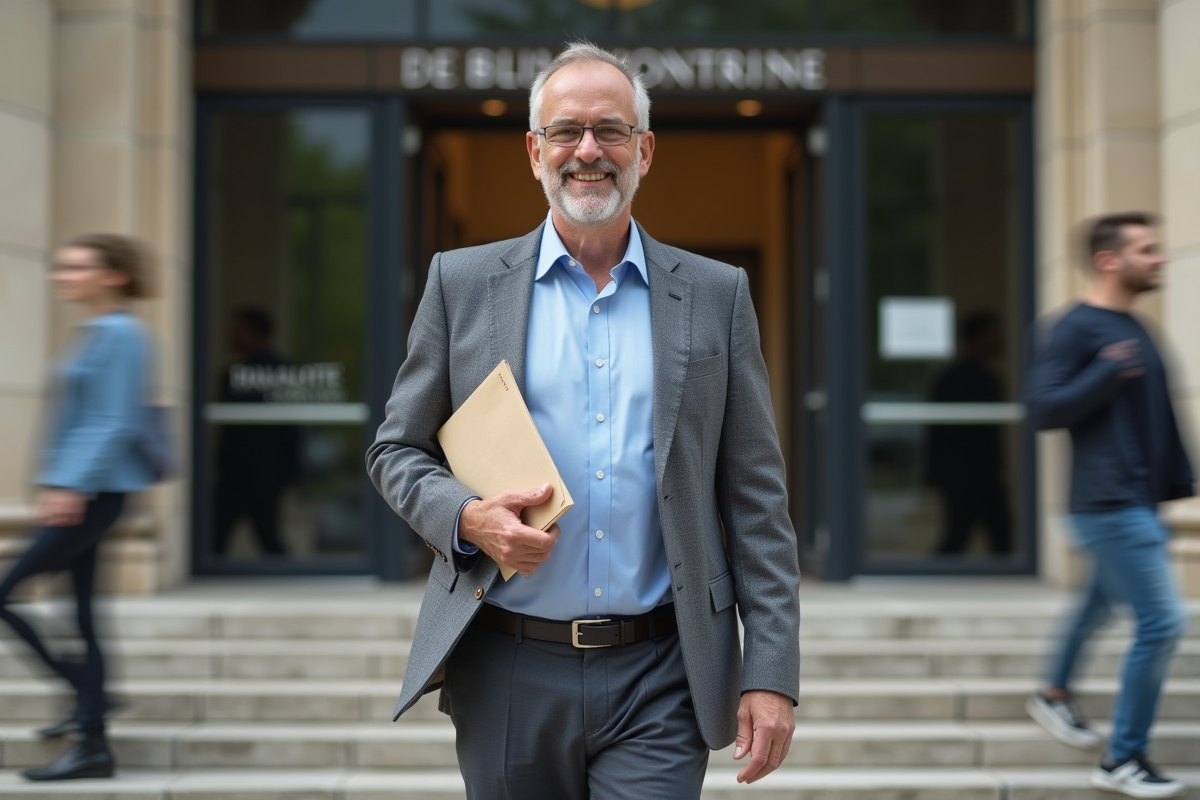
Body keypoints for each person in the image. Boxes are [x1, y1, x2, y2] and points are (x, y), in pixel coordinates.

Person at [367, 42, 800, 799]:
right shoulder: (460, 285)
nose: (589, 151)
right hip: (506, 663)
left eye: (611, 130)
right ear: (535, 152)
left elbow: (757, 503)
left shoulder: (715, 294)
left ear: (646, 150)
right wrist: (468, 517)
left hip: (663, 671)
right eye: (566, 131)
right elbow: (395, 450)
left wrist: (770, 672)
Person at [1025, 212, 1192, 798]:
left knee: (1098, 604)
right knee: (1164, 621)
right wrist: (1104, 372)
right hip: (1107, 503)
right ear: (1108, 260)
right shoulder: (1076, 329)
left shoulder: (1136, 326)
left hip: (1136, 502)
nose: (1160, 259)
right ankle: (1123, 757)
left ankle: (1053, 693)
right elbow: (1042, 410)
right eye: (1147, 250)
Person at [0, 234, 157, 781]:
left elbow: (112, 420)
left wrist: (69, 485)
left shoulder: (122, 334)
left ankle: (87, 695)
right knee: (83, 614)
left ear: (112, 275)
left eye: (76, 267)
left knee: (4, 593)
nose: (61, 275)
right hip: (81, 491)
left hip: (91, 495)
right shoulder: (95, 333)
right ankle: (92, 731)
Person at [212, 307, 299, 557]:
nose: (232, 336)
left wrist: (290, 469)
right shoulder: (231, 374)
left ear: (255, 333)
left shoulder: (277, 371)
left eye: (238, 331)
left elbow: (291, 424)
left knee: (264, 535)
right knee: (222, 534)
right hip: (242, 471)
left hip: (261, 472)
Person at [925, 311, 1013, 555]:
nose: (1001, 341)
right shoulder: (956, 378)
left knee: (997, 534)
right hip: (963, 474)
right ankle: (933, 577)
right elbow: (937, 428)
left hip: (982, 473)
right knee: (960, 535)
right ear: (979, 337)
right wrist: (935, 473)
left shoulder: (989, 378)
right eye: (995, 335)